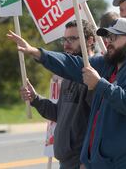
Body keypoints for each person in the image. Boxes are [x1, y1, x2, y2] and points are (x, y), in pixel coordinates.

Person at [8, 18, 126, 169]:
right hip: (111, 162)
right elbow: (74, 64)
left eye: (114, 38)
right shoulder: (111, 64)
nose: (108, 42)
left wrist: (99, 84)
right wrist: (36, 53)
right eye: (108, 38)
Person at [20, 20, 95, 169]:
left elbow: (99, 124)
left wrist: (87, 160)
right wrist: (35, 99)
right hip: (65, 160)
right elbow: (59, 114)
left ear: (90, 40)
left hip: (81, 162)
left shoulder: (94, 74)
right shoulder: (68, 75)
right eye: (65, 39)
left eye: (72, 39)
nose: (66, 44)